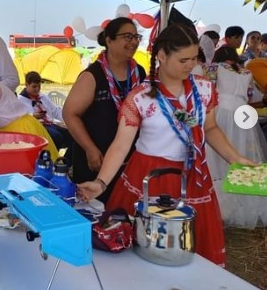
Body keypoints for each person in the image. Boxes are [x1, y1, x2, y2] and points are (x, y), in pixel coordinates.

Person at [79, 23, 257, 266]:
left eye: (194, 58)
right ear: (162, 56)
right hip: (148, 177)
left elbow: (211, 128)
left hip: (192, 177)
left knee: (189, 255)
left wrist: (235, 158)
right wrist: (101, 183)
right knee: (143, 254)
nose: (190, 65)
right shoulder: (141, 96)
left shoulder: (204, 89)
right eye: (183, 60)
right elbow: (121, 145)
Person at [62, 17, 146, 204]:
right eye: (127, 36)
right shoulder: (93, 75)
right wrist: (90, 148)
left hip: (129, 156)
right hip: (96, 160)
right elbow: (69, 114)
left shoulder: (139, 72)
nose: (133, 42)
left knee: (126, 210)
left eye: (136, 36)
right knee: (96, 209)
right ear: (109, 40)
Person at [205, 46, 267, 229]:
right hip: (243, 115)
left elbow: (209, 90)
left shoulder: (215, 68)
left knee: (216, 156)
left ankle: (220, 207)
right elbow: (248, 96)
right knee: (245, 152)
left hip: (221, 111)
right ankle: (248, 207)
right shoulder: (246, 71)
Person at [18, 71, 73, 151]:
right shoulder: (20, 100)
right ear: (27, 85)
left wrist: (69, 120)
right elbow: (20, 118)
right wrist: (33, 116)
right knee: (56, 136)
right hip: (37, 127)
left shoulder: (43, 97)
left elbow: (55, 111)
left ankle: (66, 160)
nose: (37, 89)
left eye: (39, 86)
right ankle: (53, 158)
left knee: (73, 134)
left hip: (51, 124)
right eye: (34, 87)